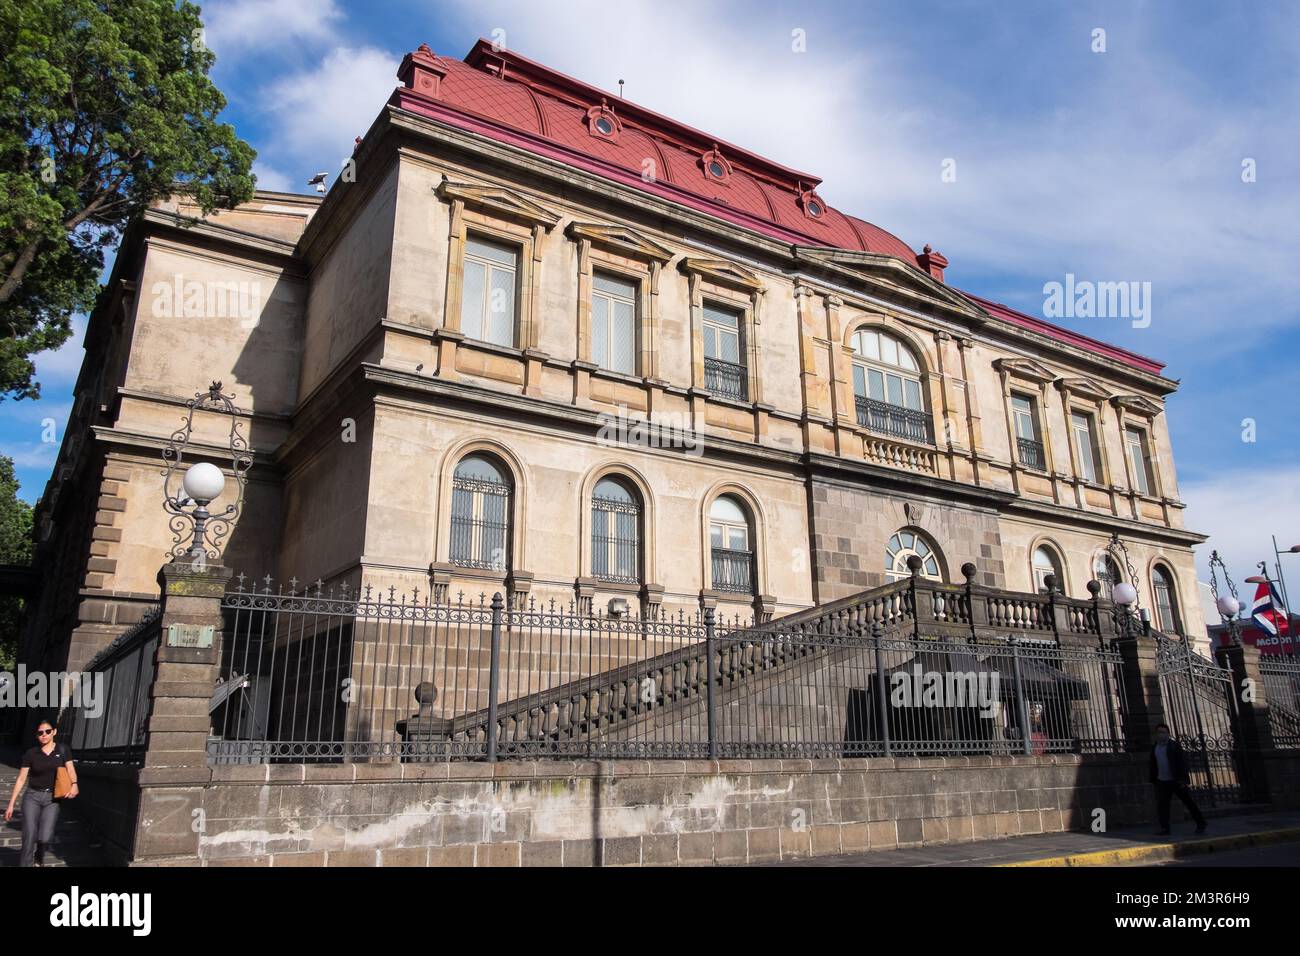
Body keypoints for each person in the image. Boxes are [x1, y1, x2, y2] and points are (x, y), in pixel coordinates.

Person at [4, 719, 79, 866]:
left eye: (47, 731)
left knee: (45, 837)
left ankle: (39, 853)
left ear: (54, 732)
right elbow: (21, 779)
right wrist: (11, 804)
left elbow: (70, 769)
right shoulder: (31, 754)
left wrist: (74, 784)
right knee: (29, 835)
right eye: (40, 733)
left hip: (53, 799)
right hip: (32, 796)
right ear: (36, 735)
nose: (44, 735)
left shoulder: (63, 750)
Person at [1149, 722, 1206, 836]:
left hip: (1176, 780)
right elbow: (1153, 764)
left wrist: (1183, 780)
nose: (1161, 735)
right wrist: (1154, 779)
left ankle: (1201, 823)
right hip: (1162, 781)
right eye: (1159, 732)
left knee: (1188, 802)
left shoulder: (1174, 746)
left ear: (1168, 734)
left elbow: (1182, 763)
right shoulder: (1155, 747)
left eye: (1163, 732)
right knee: (1163, 806)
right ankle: (1165, 828)